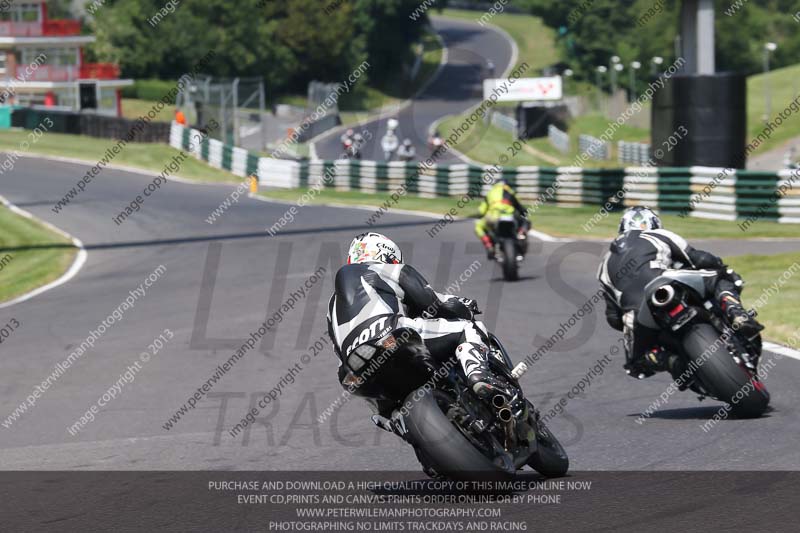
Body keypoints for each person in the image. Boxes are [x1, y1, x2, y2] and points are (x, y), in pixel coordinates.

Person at [326, 232, 506, 424]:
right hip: (391, 336)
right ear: (389, 256)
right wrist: (463, 307)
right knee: (469, 328)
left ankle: (394, 421)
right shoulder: (384, 268)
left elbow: (338, 351)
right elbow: (430, 301)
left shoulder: (332, 306)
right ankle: (478, 375)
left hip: (352, 373)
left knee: (390, 411)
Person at [598, 206, 763, 379]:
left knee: (636, 364)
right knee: (722, 276)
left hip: (635, 313)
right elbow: (700, 258)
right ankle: (736, 312)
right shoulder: (658, 234)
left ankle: (669, 361)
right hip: (665, 280)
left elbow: (613, 318)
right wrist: (719, 265)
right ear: (654, 223)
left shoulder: (604, 265)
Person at [474, 180, 531, 259]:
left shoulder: (490, 192)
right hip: (510, 215)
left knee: (478, 226)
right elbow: (519, 206)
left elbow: (481, 211)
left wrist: (480, 215)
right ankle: (521, 235)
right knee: (525, 222)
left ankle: (489, 245)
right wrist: (524, 212)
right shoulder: (510, 191)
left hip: (494, 216)